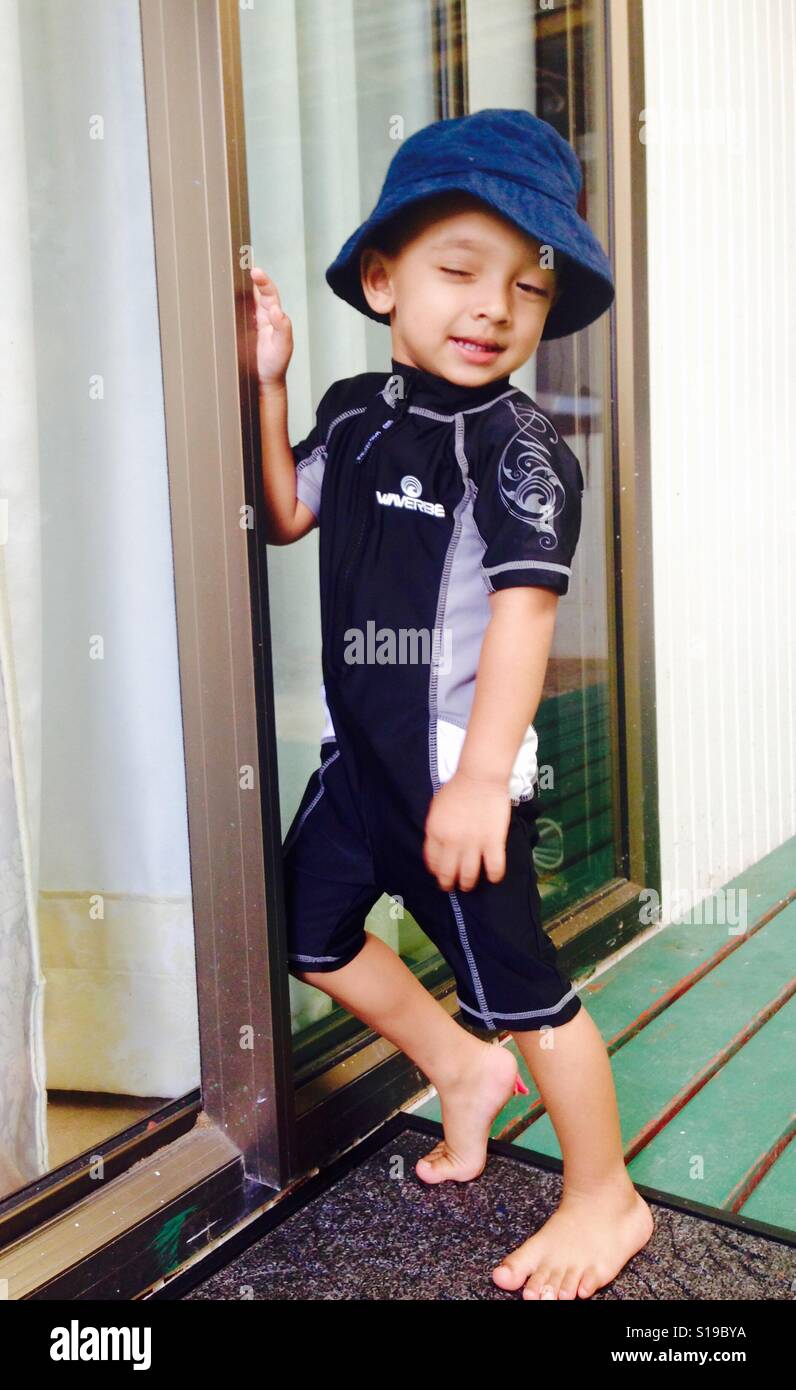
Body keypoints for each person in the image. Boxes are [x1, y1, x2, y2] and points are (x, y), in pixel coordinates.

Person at [251, 108, 654, 1300]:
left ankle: (606, 1192)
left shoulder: (517, 446)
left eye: (524, 290)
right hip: (358, 764)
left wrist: (482, 779)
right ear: (383, 281)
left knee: (526, 992)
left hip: (453, 777)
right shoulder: (356, 411)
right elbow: (284, 513)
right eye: (457, 271)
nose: (491, 308)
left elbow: (525, 618)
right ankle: (452, 1063)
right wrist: (267, 386)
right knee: (305, 930)